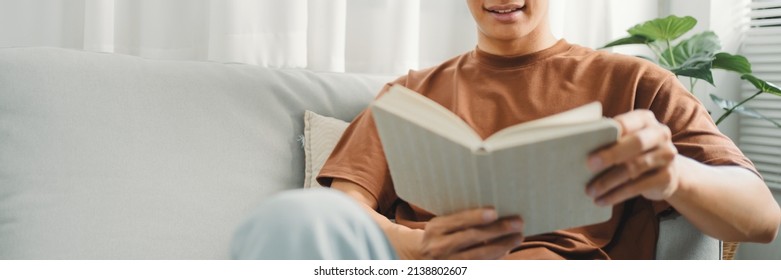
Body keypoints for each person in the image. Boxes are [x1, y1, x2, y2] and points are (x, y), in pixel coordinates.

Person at [232, 0, 781, 260]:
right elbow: (341, 207)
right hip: (428, 271)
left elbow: (761, 219)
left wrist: (674, 177)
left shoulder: (637, 84)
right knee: (292, 216)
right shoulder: (412, 95)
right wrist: (422, 247)